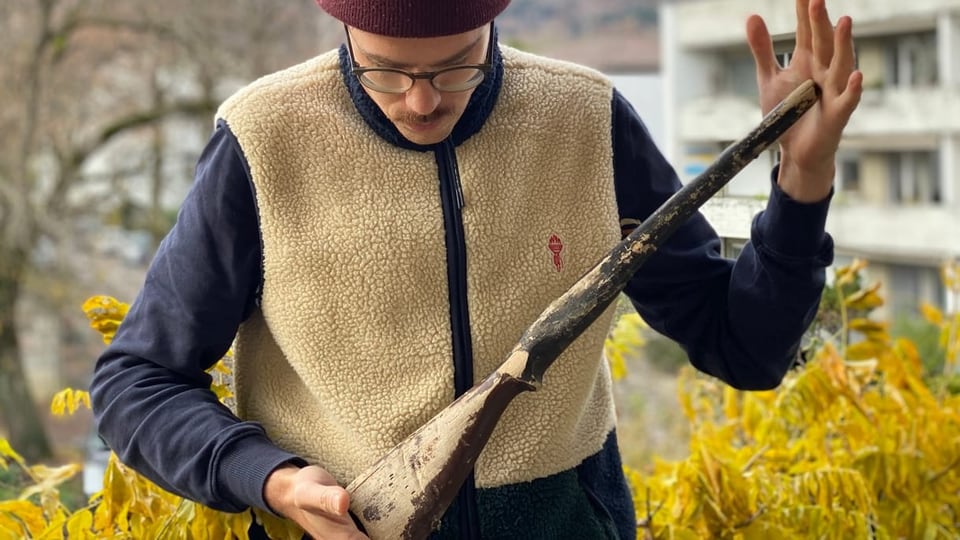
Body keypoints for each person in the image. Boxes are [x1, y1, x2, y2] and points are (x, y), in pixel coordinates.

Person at [90, 0, 862, 538]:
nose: (421, 101)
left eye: (458, 67)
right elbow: (136, 383)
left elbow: (745, 347)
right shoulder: (263, 138)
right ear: (343, 29)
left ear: (495, 23)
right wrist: (272, 478)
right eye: (384, 71)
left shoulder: (585, 120)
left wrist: (802, 184)